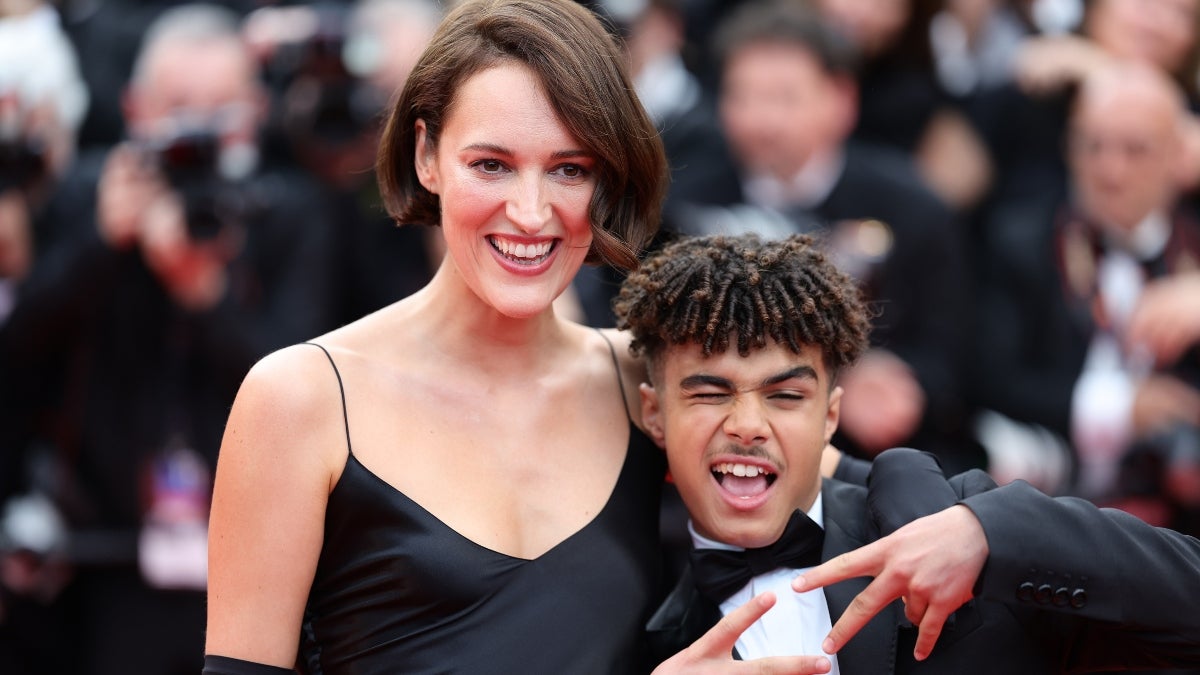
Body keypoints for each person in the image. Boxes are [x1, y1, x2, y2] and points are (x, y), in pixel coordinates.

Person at [203, 2, 834, 673]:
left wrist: (931, 526)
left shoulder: (640, 381)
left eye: (570, 169)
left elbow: (844, 486)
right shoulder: (301, 399)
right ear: (426, 156)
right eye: (491, 164)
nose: (531, 214)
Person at [619, 232, 1200, 672]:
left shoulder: (943, 517)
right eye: (710, 394)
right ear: (654, 414)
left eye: (786, 395)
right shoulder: (631, 631)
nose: (748, 426)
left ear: (830, 416)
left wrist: (992, 536)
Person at [1, 4, 337, 673]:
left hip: (253, 551)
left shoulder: (290, 210)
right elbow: (16, 356)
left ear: (255, 110)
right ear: (135, 109)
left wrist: (205, 294)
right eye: (178, 108)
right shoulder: (86, 194)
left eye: (220, 109)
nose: (197, 132)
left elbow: (311, 392)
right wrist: (102, 244)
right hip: (96, 556)